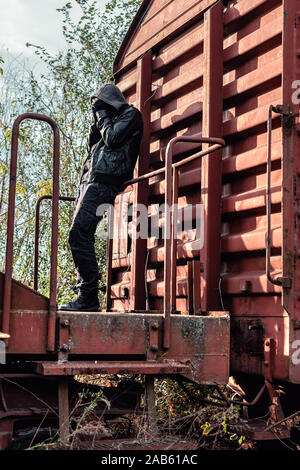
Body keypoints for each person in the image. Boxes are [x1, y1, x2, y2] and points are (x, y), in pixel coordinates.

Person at [59, 83, 143, 311]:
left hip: (106, 181)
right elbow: (92, 147)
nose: (99, 110)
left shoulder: (131, 115)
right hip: (90, 181)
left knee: (79, 233)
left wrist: (104, 117)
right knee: (77, 235)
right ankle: (85, 294)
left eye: (101, 105)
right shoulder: (106, 119)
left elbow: (113, 139)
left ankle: (88, 296)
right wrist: (95, 122)